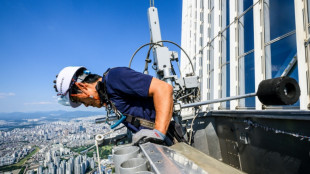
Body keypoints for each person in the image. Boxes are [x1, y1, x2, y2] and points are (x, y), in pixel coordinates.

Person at [53, 66, 174, 145]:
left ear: (82, 86)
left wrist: (158, 133)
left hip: (168, 137)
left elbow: (163, 88)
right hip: (159, 143)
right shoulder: (109, 94)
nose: (85, 105)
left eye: (81, 101)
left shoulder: (115, 77)